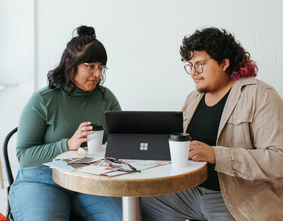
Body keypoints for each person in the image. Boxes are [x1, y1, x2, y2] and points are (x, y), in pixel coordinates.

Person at [142, 27, 283, 221]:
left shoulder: (260, 94)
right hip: (189, 192)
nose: (193, 73)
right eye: (190, 66)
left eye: (200, 64)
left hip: (237, 197)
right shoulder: (193, 99)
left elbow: (278, 159)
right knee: (137, 201)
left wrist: (216, 154)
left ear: (224, 63)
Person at [9, 25, 122, 221]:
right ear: (71, 63)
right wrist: (68, 145)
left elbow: (122, 138)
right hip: (41, 181)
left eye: (101, 67)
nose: (97, 74)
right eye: (91, 66)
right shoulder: (42, 100)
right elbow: (24, 156)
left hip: (89, 180)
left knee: (122, 217)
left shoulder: (106, 98)